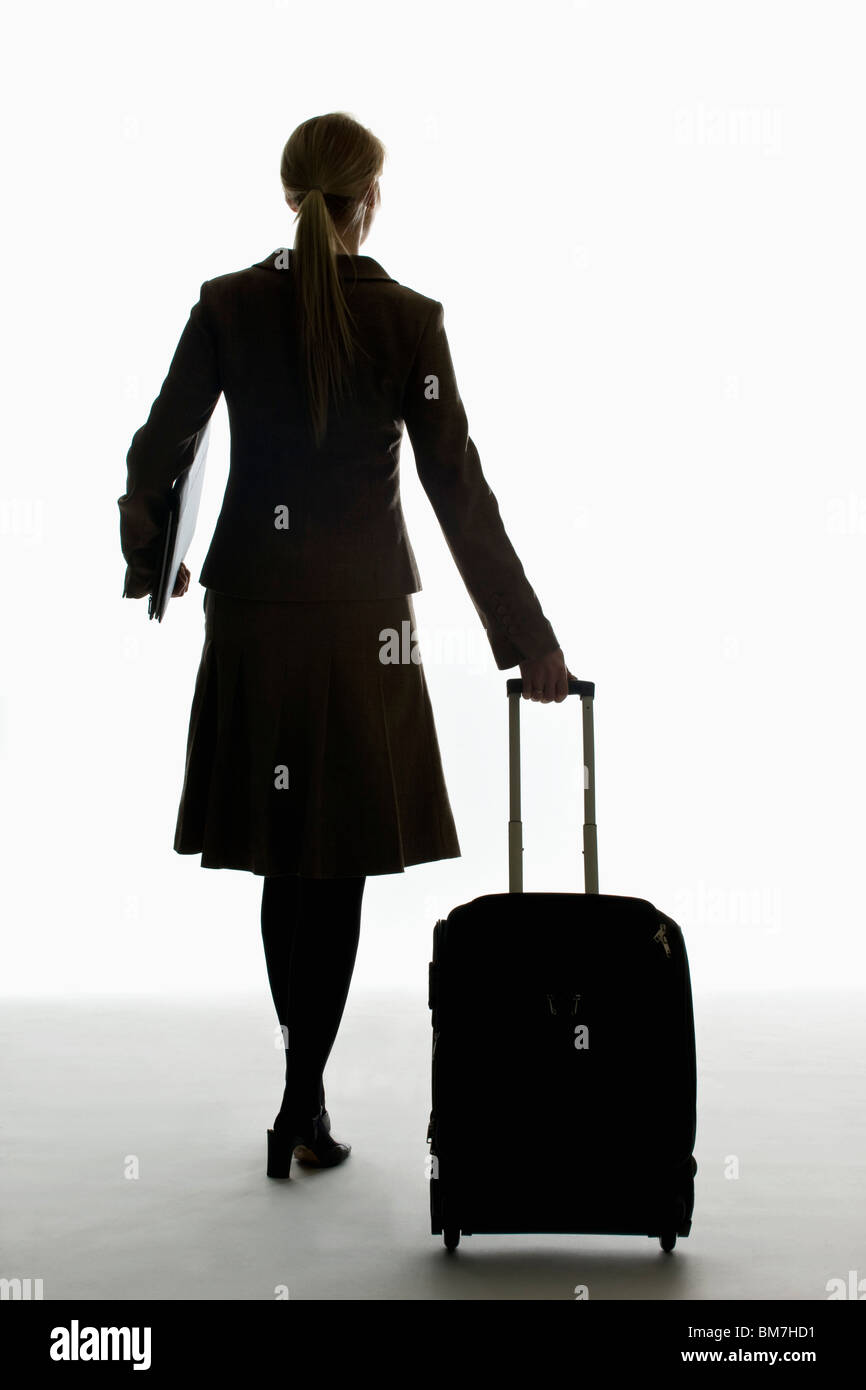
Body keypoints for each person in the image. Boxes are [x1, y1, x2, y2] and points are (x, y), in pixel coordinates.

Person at [117, 111, 575, 1180]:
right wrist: (528, 640)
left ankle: (299, 1088)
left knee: (287, 860)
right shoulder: (408, 320)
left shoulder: (228, 306)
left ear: (290, 196)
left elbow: (157, 450)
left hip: (255, 615)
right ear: (369, 199)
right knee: (338, 867)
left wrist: (154, 559)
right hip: (363, 624)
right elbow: (456, 490)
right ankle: (299, 1098)